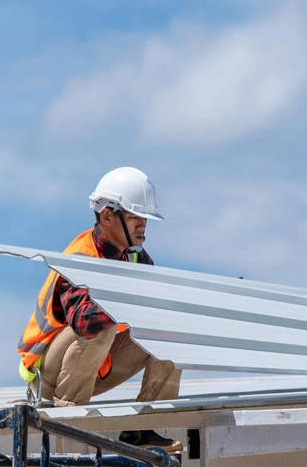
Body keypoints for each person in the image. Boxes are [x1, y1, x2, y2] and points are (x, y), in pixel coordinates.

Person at [16, 167, 183, 452]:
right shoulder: (81, 258)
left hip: (94, 369)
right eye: (134, 218)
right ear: (107, 216)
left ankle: (141, 430)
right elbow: (83, 323)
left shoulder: (136, 260)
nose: (142, 225)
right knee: (99, 325)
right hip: (49, 377)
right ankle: (69, 418)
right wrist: (132, 297)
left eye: (144, 218)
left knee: (171, 332)